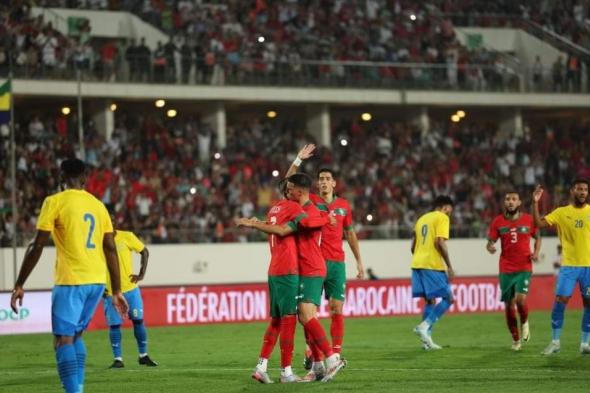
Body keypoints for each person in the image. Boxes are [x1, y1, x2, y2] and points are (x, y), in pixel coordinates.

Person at [10, 158, 128, 393]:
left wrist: (20, 283)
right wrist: (116, 290)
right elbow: (111, 248)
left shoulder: (54, 202)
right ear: (85, 178)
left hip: (71, 281)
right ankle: (79, 388)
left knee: (62, 340)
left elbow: (37, 245)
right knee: (75, 337)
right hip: (96, 281)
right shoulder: (98, 205)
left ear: (61, 177)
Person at [241, 174, 346, 382]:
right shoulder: (294, 208)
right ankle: (317, 365)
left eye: (290, 190)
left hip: (311, 268)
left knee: (306, 316)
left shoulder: (310, 211)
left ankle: (332, 359)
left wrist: (326, 217)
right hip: (299, 269)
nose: (287, 192)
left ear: (299, 191)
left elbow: (288, 228)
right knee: (302, 318)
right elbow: (282, 216)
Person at [286, 144, 364, 368]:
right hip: (313, 263)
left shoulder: (343, 206)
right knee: (309, 312)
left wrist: (359, 262)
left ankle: (336, 354)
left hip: (337, 263)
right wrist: (298, 159)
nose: (322, 181)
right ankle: (312, 351)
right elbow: (288, 183)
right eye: (320, 178)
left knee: (336, 308)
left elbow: (349, 233)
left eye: (327, 178)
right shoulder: (310, 200)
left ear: (333, 183)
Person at [532, 181, 590, 355]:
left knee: (589, 305)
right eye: (579, 189)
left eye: (586, 190)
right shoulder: (561, 212)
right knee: (560, 302)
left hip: (589, 267)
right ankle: (555, 342)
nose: (583, 192)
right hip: (569, 267)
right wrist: (535, 203)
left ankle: (585, 344)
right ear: (572, 190)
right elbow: (539, 224)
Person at [486, 191, 541, 351]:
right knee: (509, 305)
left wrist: (536, 252)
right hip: (505, 268)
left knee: (520, 300)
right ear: (505, 203)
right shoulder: (497, 222)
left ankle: (524, 322)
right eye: (507, 199)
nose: (510, 202)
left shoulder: (529, 220)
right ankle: (516, 340)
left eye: (514, 199)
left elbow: (538, 237)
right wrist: (490, 247)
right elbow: (490, 242)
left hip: (524, 266)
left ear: (519, 203)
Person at [104, 215, 157, 368]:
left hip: (131, 290)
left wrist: (141, 274)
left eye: (111, 220)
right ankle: (118, 359)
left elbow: (144, 251)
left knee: (138, 321)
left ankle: (143, 355)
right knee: (114, 325)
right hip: (111, 292)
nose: (109, 223)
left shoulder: (126, 236)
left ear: (114, 222)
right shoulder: (97, 241)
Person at [411, 195, 455, 350]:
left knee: (430, 301)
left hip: (417, 264)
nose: (450, 214)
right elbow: (440, 242)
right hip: (432, 264)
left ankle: (426, 342)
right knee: (449, 298)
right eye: (449, 211)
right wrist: (449, 266)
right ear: (444, 207)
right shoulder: (442, 217)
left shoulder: (421, 219)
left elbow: (412, 247)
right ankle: (424, 326)